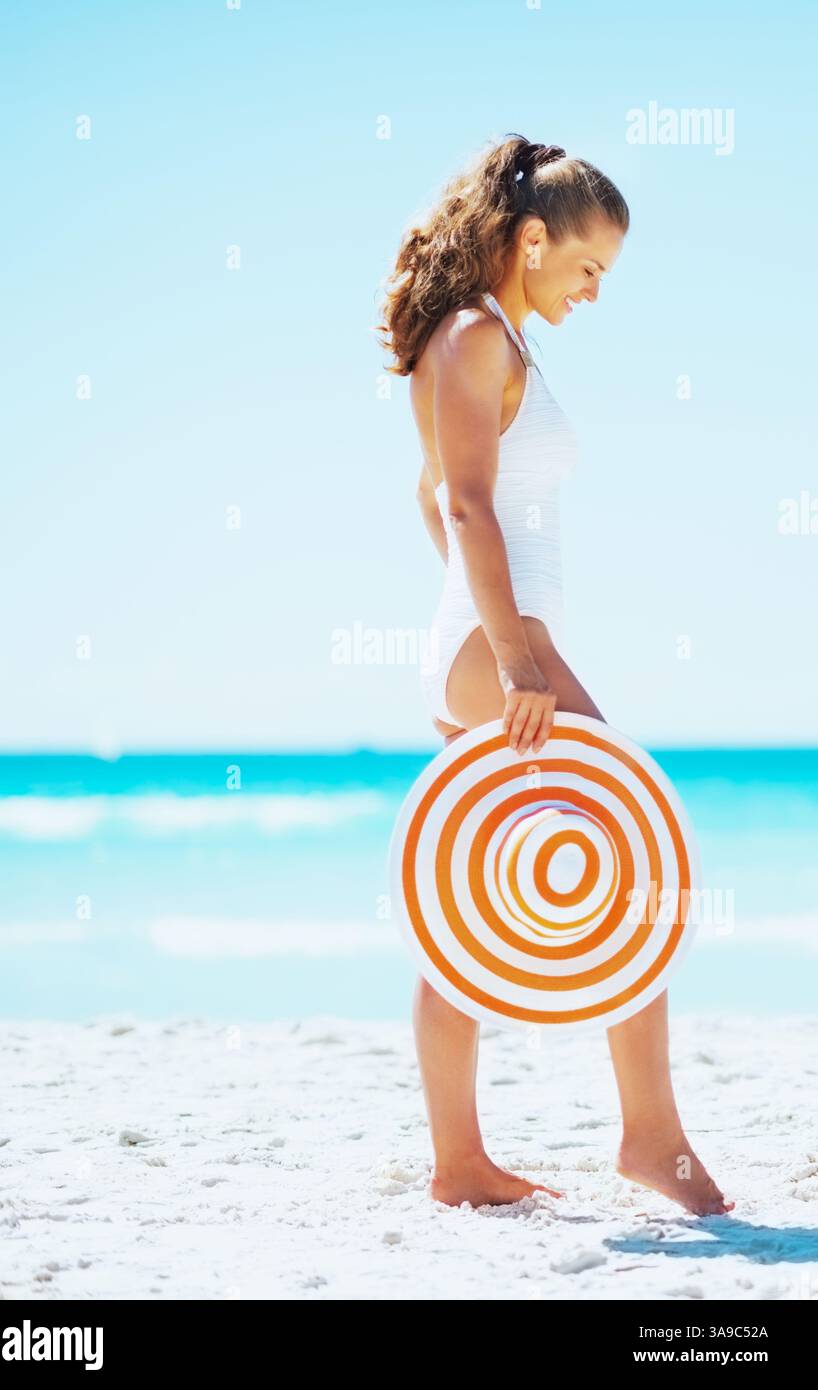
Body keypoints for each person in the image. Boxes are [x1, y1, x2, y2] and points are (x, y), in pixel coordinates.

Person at [377, 133, 733, 1216]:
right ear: (530, 239)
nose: (591, 291)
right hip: (500, 653)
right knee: (638, 859)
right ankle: (651, 1137)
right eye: (586, 268)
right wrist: (519, 653)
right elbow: (465, 504)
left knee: (469, 889)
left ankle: (459, 1161)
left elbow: (429, 494)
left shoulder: (480, 340)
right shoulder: (474, 337)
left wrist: (490, 633)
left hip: (483, 646)